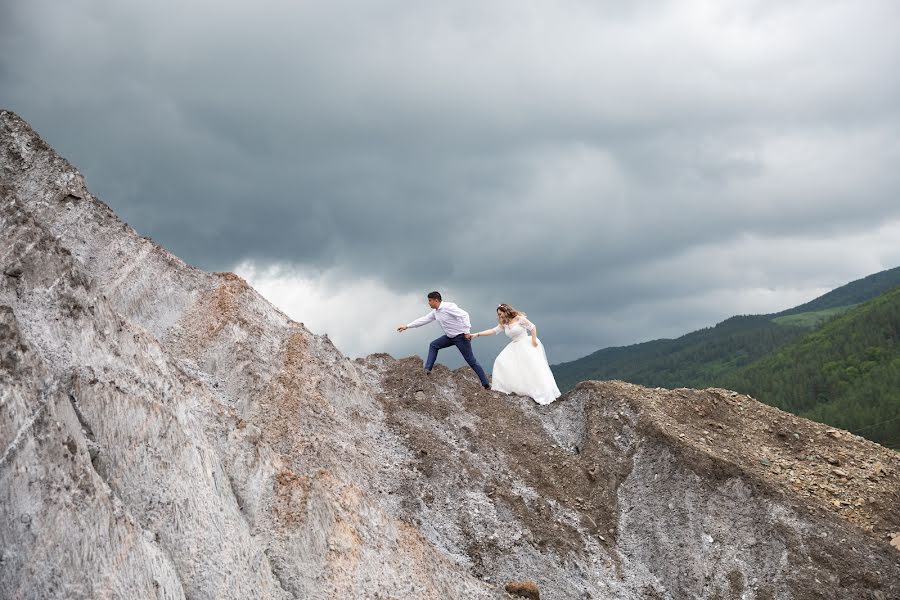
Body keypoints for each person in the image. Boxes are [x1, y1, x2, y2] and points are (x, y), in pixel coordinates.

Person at [467, 303, 560, 405]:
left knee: (531, 368)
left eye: (500, 313)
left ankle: (540, 392)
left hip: (525, 343)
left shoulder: (519, 318)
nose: (499, 316)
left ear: (506, 311)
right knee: (501, 361)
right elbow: (493, 331)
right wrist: (477, 334)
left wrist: (534, 340)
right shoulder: (504, 323)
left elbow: (532, 327)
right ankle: (509, 388)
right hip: (514, 345)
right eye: (498, 314)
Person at [397, 291, 491, 389]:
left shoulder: (448, 307)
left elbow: (464, 315)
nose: (428, 303)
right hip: (449, 337)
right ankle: (427, 370)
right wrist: (407, 326)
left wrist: (467, 331)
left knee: (471, 360)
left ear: (436, 300)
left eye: (430, 300)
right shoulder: (435, 312)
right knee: (433, 345)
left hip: (461, 337)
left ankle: (485, 384)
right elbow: (424, 319)